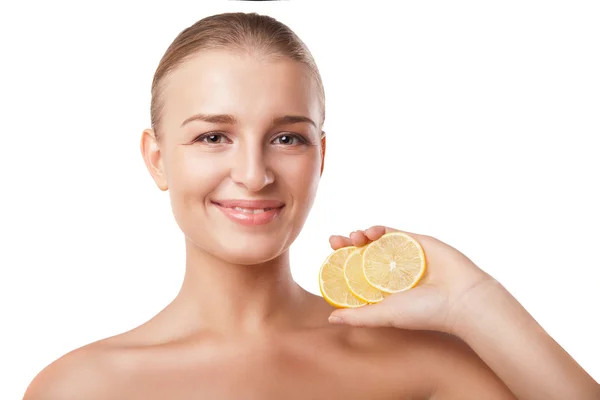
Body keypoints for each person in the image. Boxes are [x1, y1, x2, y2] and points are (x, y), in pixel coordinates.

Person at [23, 12, 599, 400]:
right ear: (155, 159)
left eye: (287, 137)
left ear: (319, 155)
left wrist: (478, 304)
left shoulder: (420, 367)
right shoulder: (82, 386)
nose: (252, 174)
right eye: (212, 137)